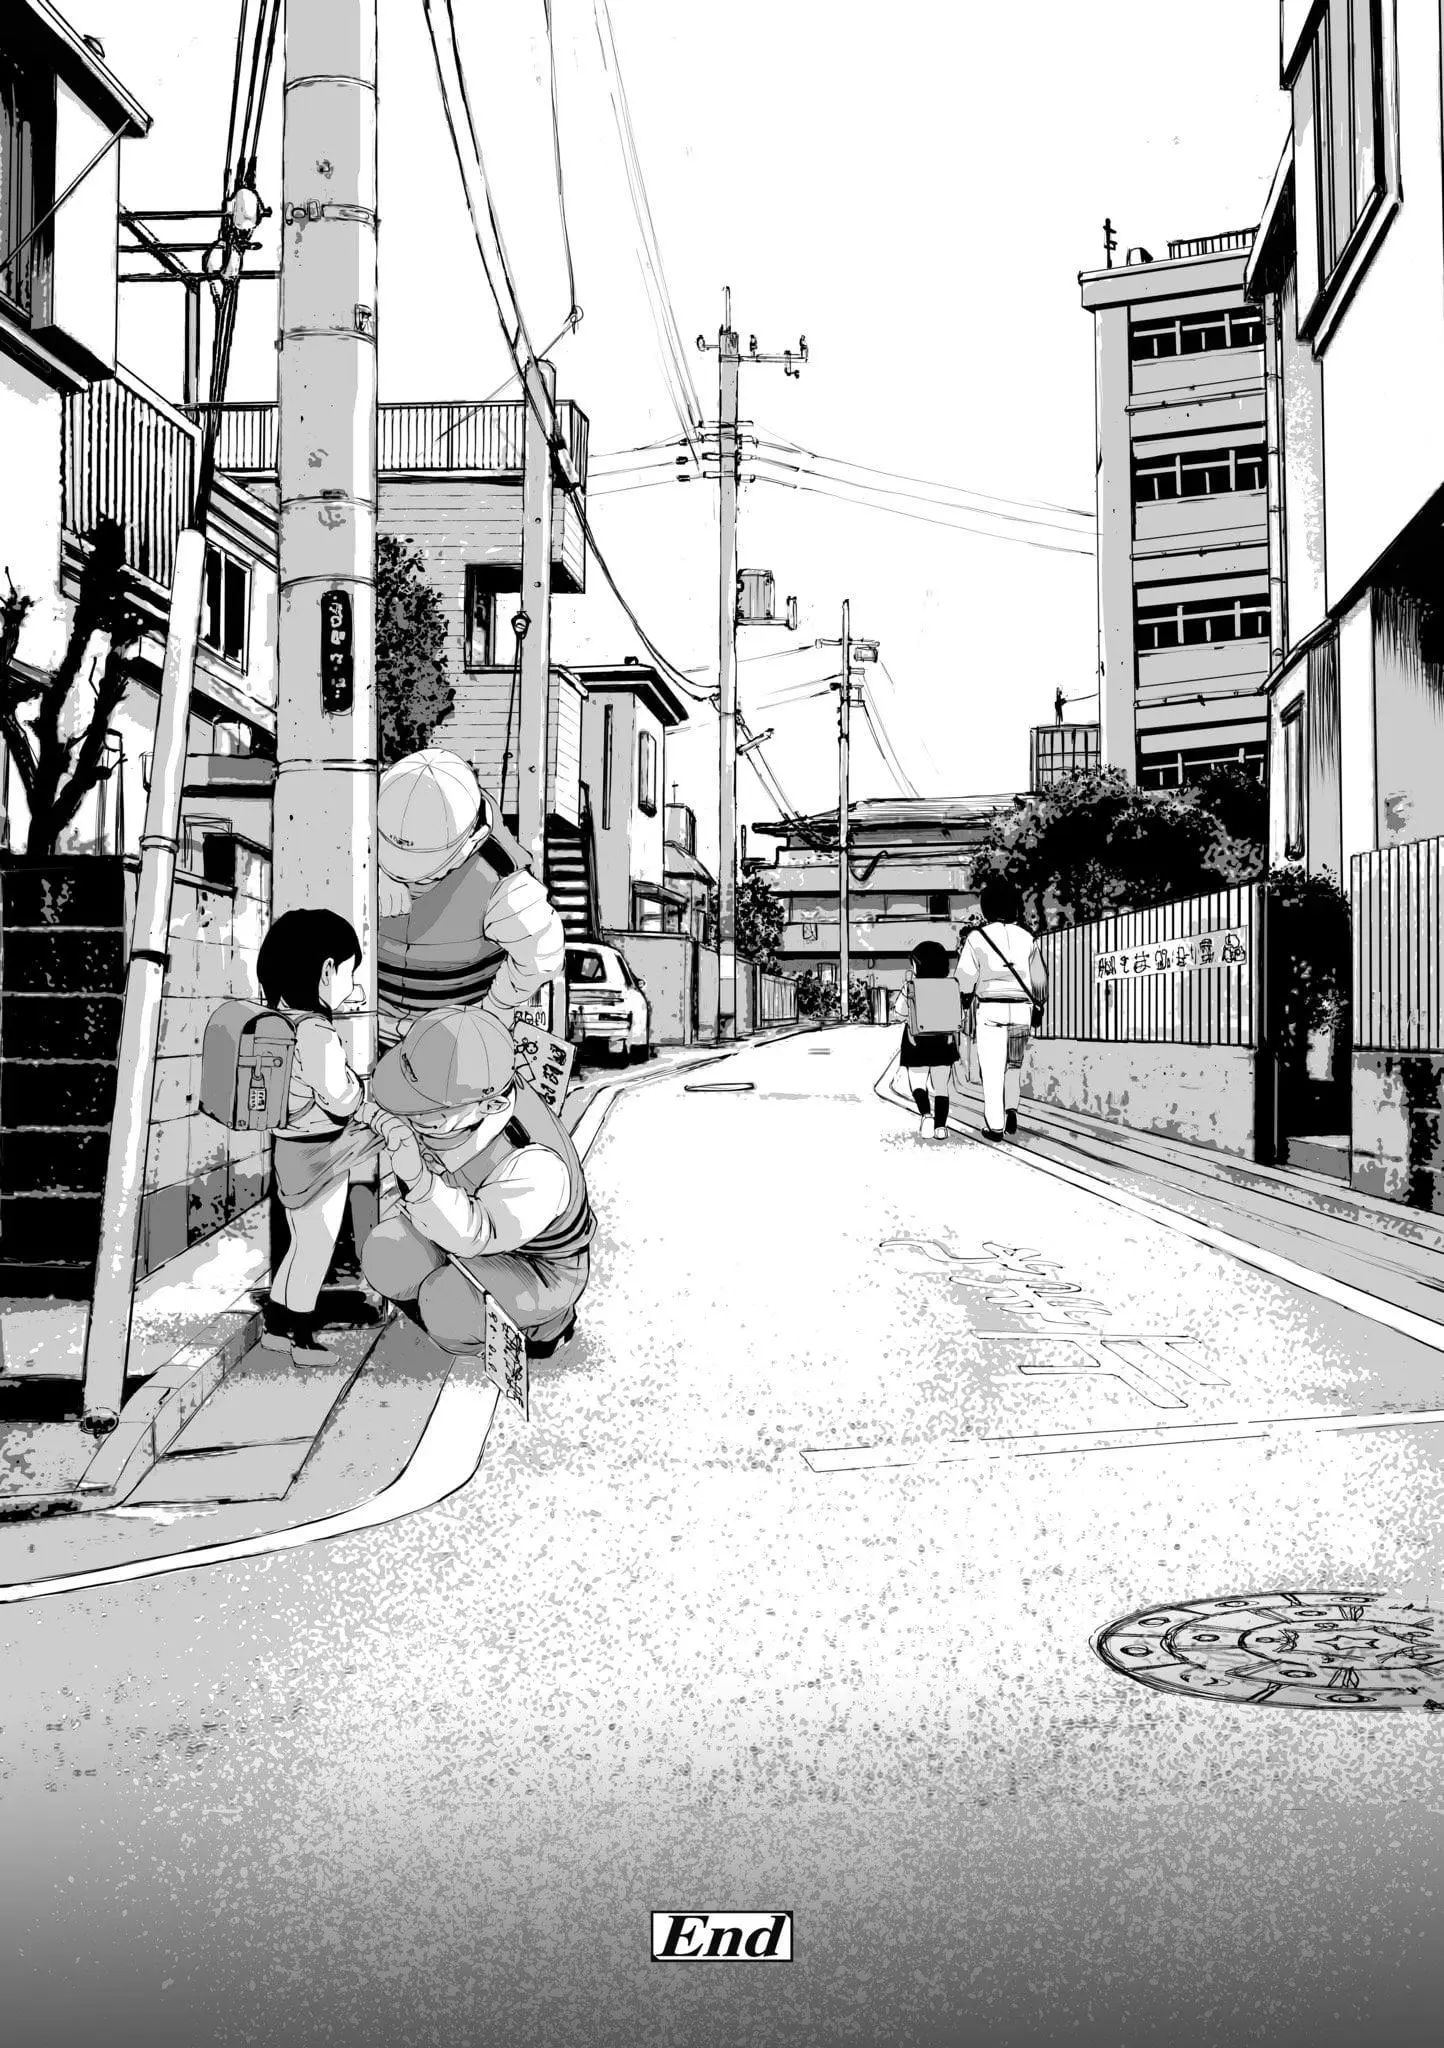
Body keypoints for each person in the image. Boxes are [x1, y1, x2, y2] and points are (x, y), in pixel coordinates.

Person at [362, 1006, 594, 1360]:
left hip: (538, 1267)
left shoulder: (537, 1165)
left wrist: (418, 1180)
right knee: (385, 1254)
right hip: (463, 1222)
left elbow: (476, 1232)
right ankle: (465, 1306)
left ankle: (543, 1329)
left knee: (446, 1304)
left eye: (429, 1112)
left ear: (492, 1105)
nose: (411, 1114)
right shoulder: (479, 1080)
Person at [257, 908, 384, 1361]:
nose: (351, 985)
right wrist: (358, 1085)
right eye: (350, 972)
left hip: (288, 1147)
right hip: (320, 1153)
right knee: (315, 1249)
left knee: (299, 1244)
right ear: (327, 970)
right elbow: (341, 1099)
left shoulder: (279, 1022)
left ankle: (276, 1329)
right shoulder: (317, 1033)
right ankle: (302, 1340)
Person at [376, 749, 564, 1044]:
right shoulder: (354, 829)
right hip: (370, 1025)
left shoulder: (503, 885)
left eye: (425, 872)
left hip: (449, 1041)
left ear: (472, 842)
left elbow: (544, 952)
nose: (409, 880)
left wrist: (492, 1009)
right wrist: (371, 871)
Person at [957, 877, 1048, 1141]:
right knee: (1013, 1066)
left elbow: (964, 980)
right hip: (1021, 1011)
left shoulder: (977, 938)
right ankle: (1011, 1109)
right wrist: (1038, 1003)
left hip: (991, 1011)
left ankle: (995, 1126)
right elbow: (1040, 980)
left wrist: (965, 1000)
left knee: (992, 1069)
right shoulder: (1027, 938)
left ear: (987, 907)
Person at [900, 939, 961, 1141]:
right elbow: (959, 1015)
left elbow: (899, 1013)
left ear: (918, 965)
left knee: (918, 1083)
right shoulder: (952, 986)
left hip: (915, 1042)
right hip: (944, 1041)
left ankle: (926, 1116)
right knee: (941, 1087)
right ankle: (941, 1127)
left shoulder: (910, 986)